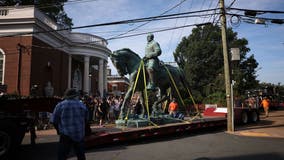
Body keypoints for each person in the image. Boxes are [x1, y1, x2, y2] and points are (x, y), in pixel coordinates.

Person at [50, 88, 88, 160]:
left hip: (65, 134)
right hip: (79, 134)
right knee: (81, 155)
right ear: (75, 96)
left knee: (62, 156)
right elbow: (86, 119)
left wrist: (58, 130)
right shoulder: (82, 105)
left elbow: (54, 121)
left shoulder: (60, 105)